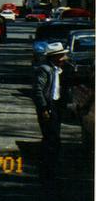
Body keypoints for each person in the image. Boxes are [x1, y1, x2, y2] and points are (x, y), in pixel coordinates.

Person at [32, 41, 70, 187]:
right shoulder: (44, 69)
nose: (64, 59)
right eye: (62, 56)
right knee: (51, 139)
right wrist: (43, 109)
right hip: (48, 108)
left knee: (54, 139)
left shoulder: (58, 69)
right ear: (55, 57)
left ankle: (50, 167)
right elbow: (37, 91)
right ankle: (47, 171)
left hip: (56, 106)